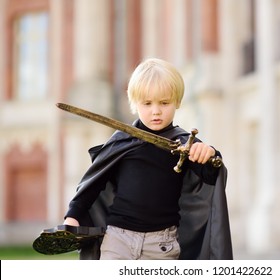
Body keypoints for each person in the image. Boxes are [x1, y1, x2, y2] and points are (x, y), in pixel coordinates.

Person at [63, 58, 232, 260]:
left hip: (162, 244)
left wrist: (209, 154)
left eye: (164, 103)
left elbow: (209, 175)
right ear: (135, 103)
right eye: (147, 103)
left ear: (177, 101)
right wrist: (73, 216)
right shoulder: (122, 141)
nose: (156, 111)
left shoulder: (184, 144)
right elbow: (93, 184)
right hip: (118, 239)